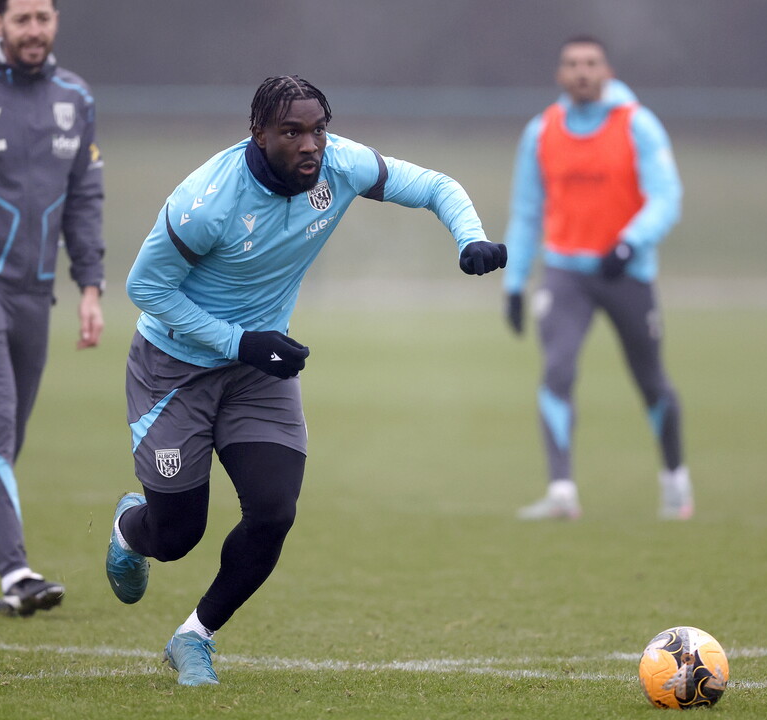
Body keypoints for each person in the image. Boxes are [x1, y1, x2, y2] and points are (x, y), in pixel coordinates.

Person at [106, 75, 506, 686]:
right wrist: (240, 341)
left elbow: (435, 185)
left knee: (273, 511)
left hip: (260, 372)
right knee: (178, 535)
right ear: (258, 134)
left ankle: (195, 636)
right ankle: (130, 532)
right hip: (174, 372)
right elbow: (145, 289)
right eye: (292, 132)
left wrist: (469, 236)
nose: (310, 144)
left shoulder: (340, 165)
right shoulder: (206, 201)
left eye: (317, 129)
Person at [0, 0, 105, 615]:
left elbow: (84, 197)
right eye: (22, 18)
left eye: (44, 17)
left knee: (9, 435)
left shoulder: (75, 97)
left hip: (35, 290)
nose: (35, 29)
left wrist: (90, 285)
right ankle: (16, 573)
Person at [503, 35, 691, 521]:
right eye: (572, 64)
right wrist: (515, 281)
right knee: (557, 371)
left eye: (591, 63)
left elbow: (666, 196)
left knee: (650, 380)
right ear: (560, 75)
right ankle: (562, 491)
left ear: (606, 70)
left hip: (628, 272)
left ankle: (675, 481)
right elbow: (526, 212)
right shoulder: (541, 132)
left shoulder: (638, 125)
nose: (582, 71)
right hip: (566, 274)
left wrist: (630, 242)